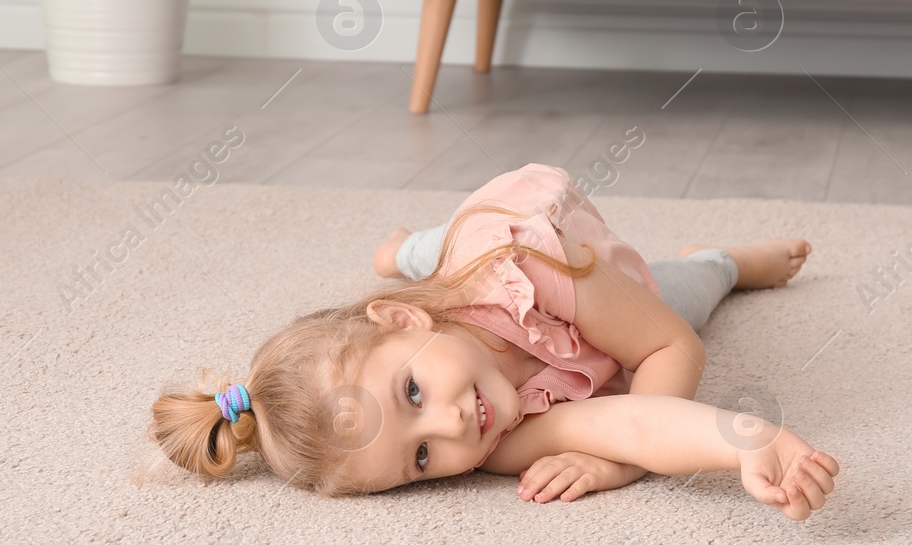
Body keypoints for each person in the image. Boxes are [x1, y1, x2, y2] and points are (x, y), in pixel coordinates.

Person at [150, 163, 839, 520]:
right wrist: (746, 441)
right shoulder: (487, 443)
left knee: (685, 292)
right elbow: (626, 419)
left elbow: (672, 353)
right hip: (476, 313)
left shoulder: (534, 267)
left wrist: (625, 469)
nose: (451, 426)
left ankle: (725, 256)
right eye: (420, 457)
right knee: (444, 271)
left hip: (546, 242)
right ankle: (415, 258)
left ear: (401, 323)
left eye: (413, 392)